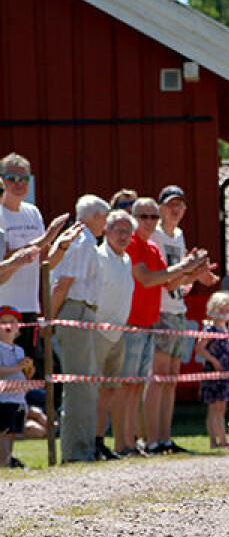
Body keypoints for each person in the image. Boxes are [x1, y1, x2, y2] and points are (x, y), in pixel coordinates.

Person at [117, 198, 207, 457]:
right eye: (143, 216)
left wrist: (192, 271)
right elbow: (145, 279)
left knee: (161, 381)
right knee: (138, 384)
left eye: (152, 217)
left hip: (152, 317)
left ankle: (159, 440)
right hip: (137, 320)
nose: (148, 221)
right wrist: (185, 268)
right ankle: (136, 442)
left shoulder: (154, 247)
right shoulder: (134, 243)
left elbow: (168, 282)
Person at [146, 185, 218, 457]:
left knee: (172, 378)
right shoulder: (156, 235)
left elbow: (178, 280)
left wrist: (196, 274)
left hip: (177, 309)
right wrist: (192, 269)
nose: (175, 210)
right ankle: (152, 439)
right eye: (170, 205)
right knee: (159, 376)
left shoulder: (179, 235)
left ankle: (165, 438)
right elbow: (164, 278)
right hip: (161, 310)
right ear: (161, 208)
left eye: (180, 205)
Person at [0, 153, 73, 374]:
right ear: (1, 180)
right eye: (12, 178)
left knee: (29, 373)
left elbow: (45, 263)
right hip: (4, 309)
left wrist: (62, 245)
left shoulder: (33, 213)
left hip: (29, 307)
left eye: (24, 179)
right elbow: (6, 261)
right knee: (6, 376)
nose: (19, 184)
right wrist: (43, 240)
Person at [51, 195, 110, 463]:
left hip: (82, 312)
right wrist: (49, 321)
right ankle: (77, 451)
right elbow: (63, 284)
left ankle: (83, 448)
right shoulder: (82, 241)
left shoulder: (85, 241)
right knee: (79, 386)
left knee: (86, 384)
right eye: (105, 218)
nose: (105, 225)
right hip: (75, 310)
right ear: (95, 216)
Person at [93, 210, 137, 458]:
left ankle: (100, 440)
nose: (123, 236)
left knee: (109, 390)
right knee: (93, 389)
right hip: (97, 331)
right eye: (118, 231)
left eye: (127, 232)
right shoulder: (98, 257)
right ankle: (89, 440)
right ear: (106, 231)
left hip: (118, 334)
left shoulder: (127, 260)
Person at [195, 292, 229, 449]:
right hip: (213, 372)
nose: (224, 314)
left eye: (227, 310)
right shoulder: (210, 329)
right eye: (221, 310)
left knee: (221, 407)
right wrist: (214, 361)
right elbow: (200, 348)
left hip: (224, 373)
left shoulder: (224, 329)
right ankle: (216, 440)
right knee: (214, 407)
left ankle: (221, 439)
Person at [0, 305, 31, 469]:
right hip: (3, 399)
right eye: (3, 322)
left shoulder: (19, 350)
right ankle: (4, 463)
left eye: (12, 322)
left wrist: (27, 371)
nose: (7, 326)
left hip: (18, 398)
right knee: (4, 433)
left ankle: (8, 460)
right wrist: (17, 367)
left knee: (11, 433)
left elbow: (21, 373)